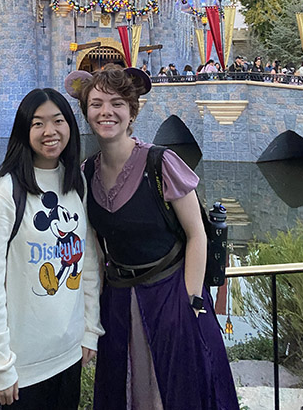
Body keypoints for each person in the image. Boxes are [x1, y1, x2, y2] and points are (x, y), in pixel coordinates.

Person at [65, 65, 239, 410]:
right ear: (85, 112)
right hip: (118, 299)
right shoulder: (86, 173)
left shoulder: (161, 163)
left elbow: (196, 234)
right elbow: (95, 246)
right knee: (125, 388)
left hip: (171, 292)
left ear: (132, 111)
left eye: (116, 103)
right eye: (96, 103)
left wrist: (191, 300)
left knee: (181, 388)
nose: (106, 112)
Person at [0, 88, 103, 410]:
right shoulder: (1, 195)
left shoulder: (76, 184)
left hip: (68, 358)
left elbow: (89, 265)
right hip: (19, 369)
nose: (50, 132)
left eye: (58, 121)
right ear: (23, 131)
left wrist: (89, 331)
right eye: (38, 123)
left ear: (70, 125)